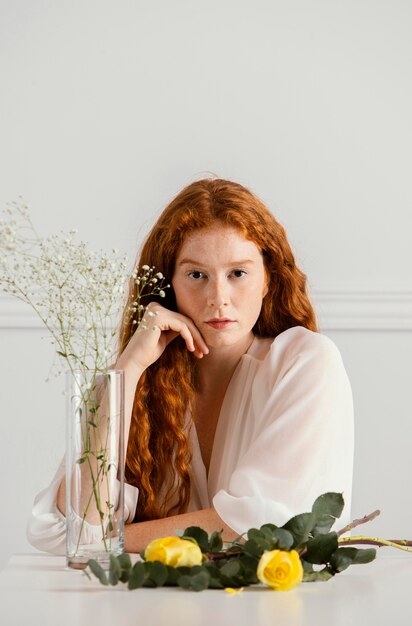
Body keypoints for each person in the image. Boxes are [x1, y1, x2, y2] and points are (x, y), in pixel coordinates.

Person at [27, 178, 354, 554]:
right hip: (151, 608)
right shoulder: (136, 383)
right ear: (169, 286)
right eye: (196, 275)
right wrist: (128, 369)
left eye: (238, 273)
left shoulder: (304, 362)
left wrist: (107, 541)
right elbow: (65, 525)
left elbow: (262, 526)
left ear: (268, 279)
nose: (219, 299)